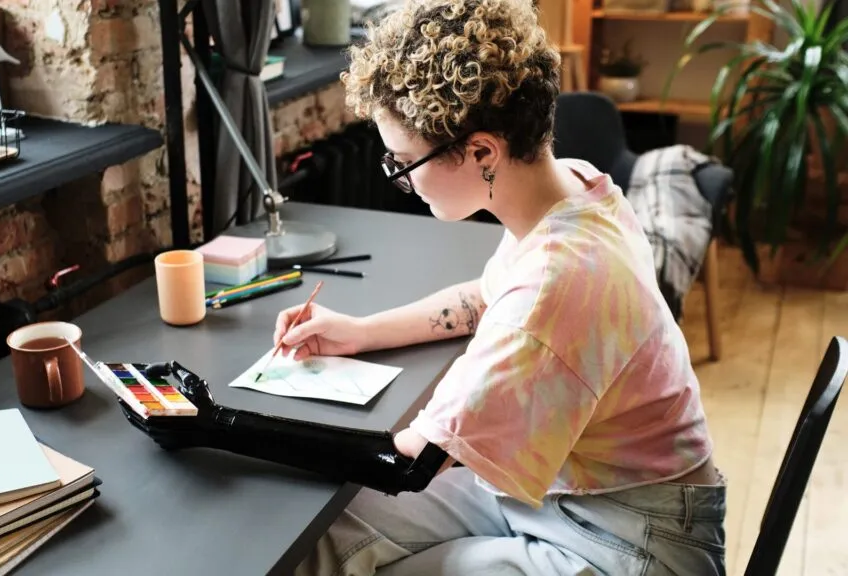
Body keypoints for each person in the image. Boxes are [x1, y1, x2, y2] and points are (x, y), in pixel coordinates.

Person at [270, 0, 728, 574]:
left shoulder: (556, 282)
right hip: (571, 496)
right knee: (327, 534)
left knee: (344, 543)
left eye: (405, 162)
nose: (400, 180)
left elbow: (409, 463)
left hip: (636, 543)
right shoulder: (575, 189)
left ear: (483, 152)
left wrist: (226, 429)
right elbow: (488, 299)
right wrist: (360, 332)